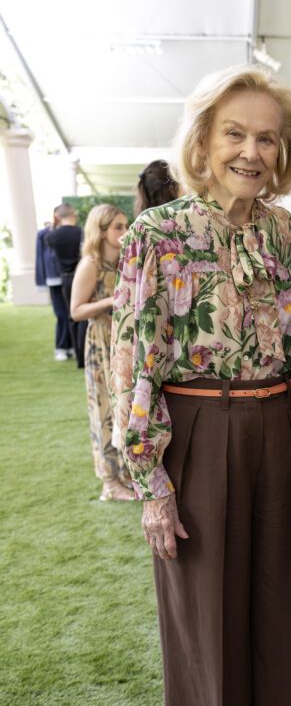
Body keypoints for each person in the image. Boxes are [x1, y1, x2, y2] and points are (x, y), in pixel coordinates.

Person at [111, 66, 291, 706]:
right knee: (205, 621)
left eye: (267, 137)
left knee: (280, 614)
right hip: (195, 434)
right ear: (202, 140)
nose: (252, 151)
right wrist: (151, 481)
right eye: (236, 132)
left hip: (280, 428)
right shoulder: (155, 235)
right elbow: (133, 359)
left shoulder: (286, 233)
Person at [70, 204, 134, 501]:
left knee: (125, 407)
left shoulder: (125, 260)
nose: (123, 231)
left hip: (124, 341)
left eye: (125, 225)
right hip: (100, 343)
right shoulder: (90, 264)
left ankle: (127, 474)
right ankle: (110, 481)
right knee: (103, 409)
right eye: (117, 227)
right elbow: (76, 311)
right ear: (102, 230)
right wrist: (110, 301)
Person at [45, 203, 87, 366]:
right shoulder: (81, 232)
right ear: (73, 214)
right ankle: (83, 357)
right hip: (81, 275)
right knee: (83, 315)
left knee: (72, 315)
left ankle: (77, 356)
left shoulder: (52, 236)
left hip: (65, 278)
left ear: (58, 216)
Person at [35, 218, 72, 360]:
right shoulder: (44, 234)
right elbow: (40, 256)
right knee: (61, 314)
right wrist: (41, 280)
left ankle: (71, 346)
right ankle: (61, 347)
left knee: (70, 313)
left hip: (69, 277)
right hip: (54, 278)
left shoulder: (70, 232)